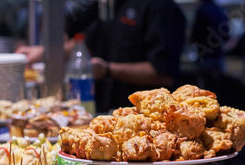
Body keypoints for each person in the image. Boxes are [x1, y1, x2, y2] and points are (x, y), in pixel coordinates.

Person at [16, 0, 186, 114]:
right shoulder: (105, 5)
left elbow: (163, 73)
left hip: (148, 118)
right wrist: (44, 53)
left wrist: (108, 69)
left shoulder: (161, 7)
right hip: (104, 112)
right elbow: (82, 41)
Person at [190, 0, 229, 90]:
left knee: (205, 88)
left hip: (205, 54)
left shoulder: (202, 10)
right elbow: (226, 32)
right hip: (218, 55)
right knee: (219, 86)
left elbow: (196, 32)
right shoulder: (219, 10)